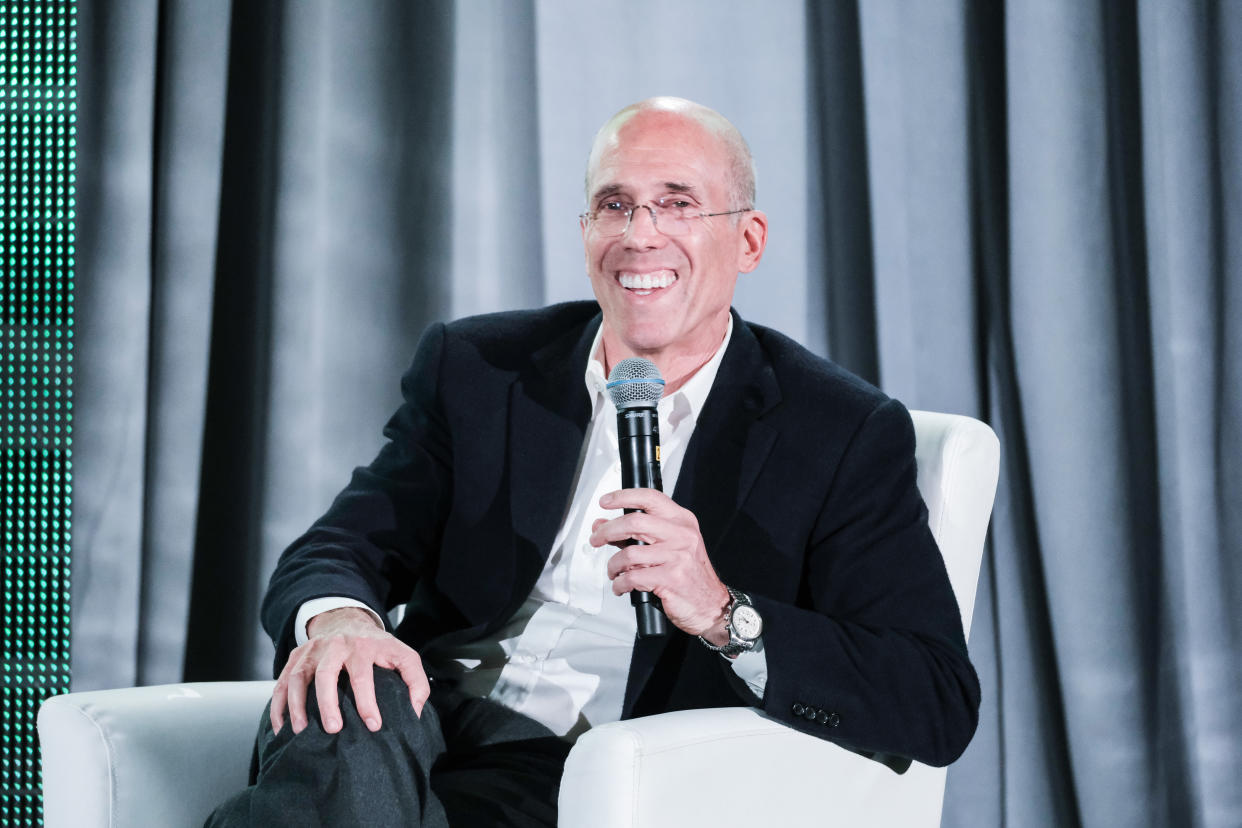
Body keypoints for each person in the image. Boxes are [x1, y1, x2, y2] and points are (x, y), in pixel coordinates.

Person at [208, 96, 979, 827]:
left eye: (678, 203)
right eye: (614, 204)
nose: (640, 235)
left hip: (585, 767)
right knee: (352, 687)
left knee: (330, 788)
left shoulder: (838, 431)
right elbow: (342, 545)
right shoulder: (482, 366)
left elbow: (934, 697)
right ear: (585, 231)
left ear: (748, 240)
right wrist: (342, 621)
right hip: (412, 723)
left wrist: (721, 611)